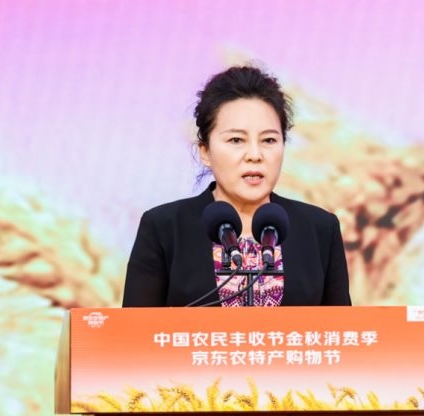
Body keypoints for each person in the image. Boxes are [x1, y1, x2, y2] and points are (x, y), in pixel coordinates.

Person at [122, 65, 350, 307]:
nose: (255, 155)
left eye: (269, 140)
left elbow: (343, 329)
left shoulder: (319, 230)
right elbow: (134, 328)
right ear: (205, 151)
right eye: (236, 140)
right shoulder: (164, 228)